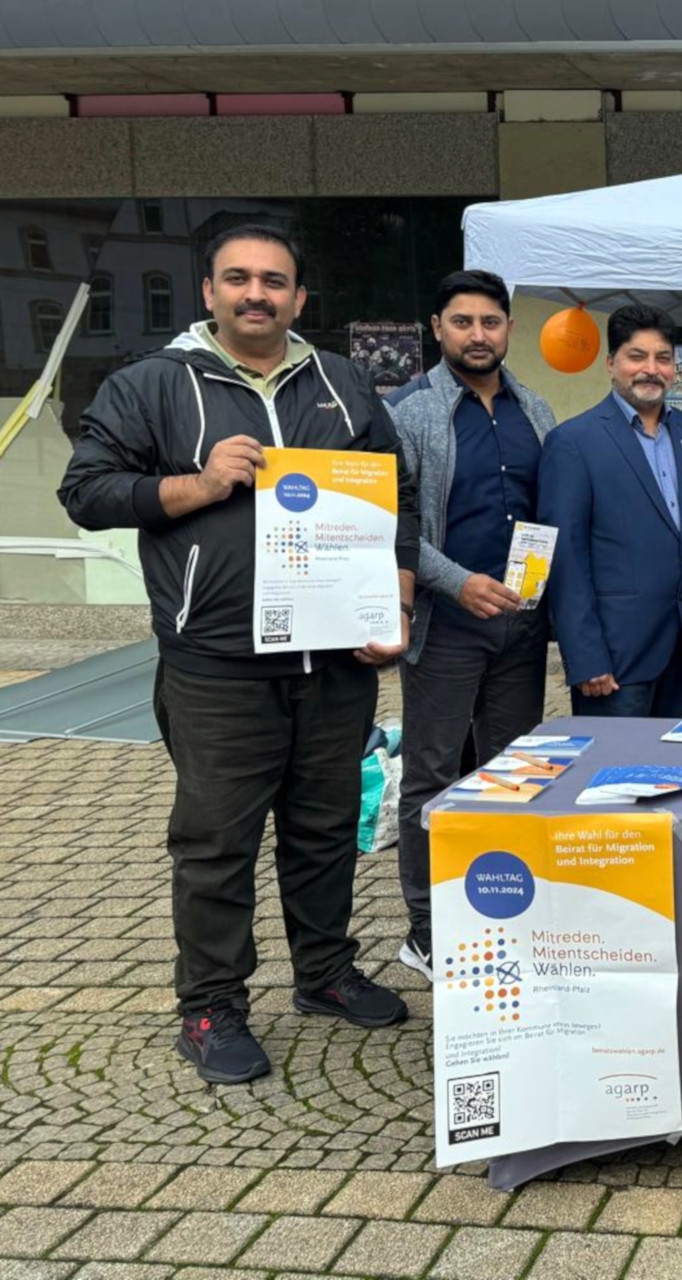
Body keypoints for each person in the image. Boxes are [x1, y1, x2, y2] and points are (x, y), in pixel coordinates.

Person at [57, 224, 417, 1085]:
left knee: (326, 831)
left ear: (299, 297)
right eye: (239, 279)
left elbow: (396, 494)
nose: (258, 294)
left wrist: (395, 603)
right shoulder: (154, 384)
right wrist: (203, 482)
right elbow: (87, 492)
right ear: (210, 292)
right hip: (217, 666)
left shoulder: (341, 380)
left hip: (332, 661)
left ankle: (324, 976)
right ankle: (211, 1007)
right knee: (216, 845)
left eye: (276, 282)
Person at [386, 269, 559, 978]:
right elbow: (391, 522)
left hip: (519, 629)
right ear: (437, 328)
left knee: (510, 776)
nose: (478, 335)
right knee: (431, 778)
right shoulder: (407, 412)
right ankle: (427, 929)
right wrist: (457, 584)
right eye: (463, 322)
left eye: (491, 322)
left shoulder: (537, 410)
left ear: (509, 330)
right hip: (445, 625)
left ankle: (500, 910)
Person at [539, 304, 682, 717]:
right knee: (614, 775)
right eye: (637, 356)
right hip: (615, 657)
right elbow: (566, 558)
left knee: (679, 775)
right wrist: (584, 654)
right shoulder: (573, 442)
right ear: (611, 363)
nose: (651, 369)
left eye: (663, 358)